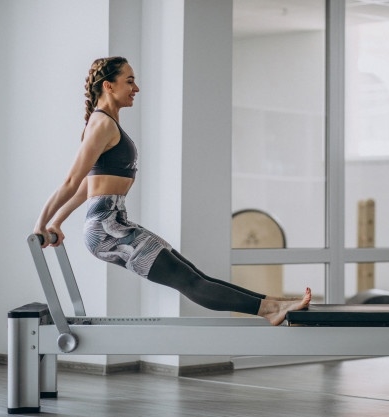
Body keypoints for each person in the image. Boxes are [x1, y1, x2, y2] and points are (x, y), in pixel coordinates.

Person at [33, 56, 311, 326]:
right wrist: (41, 224)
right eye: (129, 81)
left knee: (195, 275)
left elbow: (86, 188)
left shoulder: (105, 123)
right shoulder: (102, 123)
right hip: (108, 230)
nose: (136, 88)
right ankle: (271, 310)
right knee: (191, 283)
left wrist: (57, 221)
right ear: (108, 85)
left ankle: (274, 305)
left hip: (113, 224)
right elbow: (72, 181)